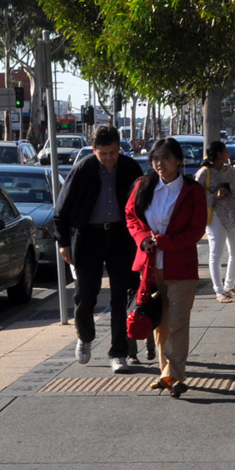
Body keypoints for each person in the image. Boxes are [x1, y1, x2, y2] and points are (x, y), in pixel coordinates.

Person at [52, 123, 147, 372]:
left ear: (119, 150)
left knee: (121, 296)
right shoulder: (83, 169)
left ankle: (118, 352)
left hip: (119, 236)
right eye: (103, 153)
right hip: (89, 238)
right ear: (94, 150)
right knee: (85, 294)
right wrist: (64, 243)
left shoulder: (129, 168)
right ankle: (85, 336)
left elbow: (144, 203)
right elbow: (61, 210)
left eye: (113, 153)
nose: (108, 158)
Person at [126, 137, 210, 396]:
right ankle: (166, 374)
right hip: (150, 267)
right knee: (160, 322)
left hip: (181, 267)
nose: (160, 163)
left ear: (178, 160)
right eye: (156, 158)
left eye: (166, 158)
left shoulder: (192, 191)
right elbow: (131, 216)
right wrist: (143, 240)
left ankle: (174, 375)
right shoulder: (144, 185)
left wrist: (165, 242)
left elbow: (197, 230)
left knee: (177, 322)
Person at [197, 140, 235, 303]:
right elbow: (195, 197)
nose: (228, 154)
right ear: (219, 154)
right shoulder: (204, 173)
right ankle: (218, 290)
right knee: (216, 253)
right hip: (215, 216)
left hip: (233, 213)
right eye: (226, 151)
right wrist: (215, 196)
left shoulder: (228, 170)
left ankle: (229, 285)